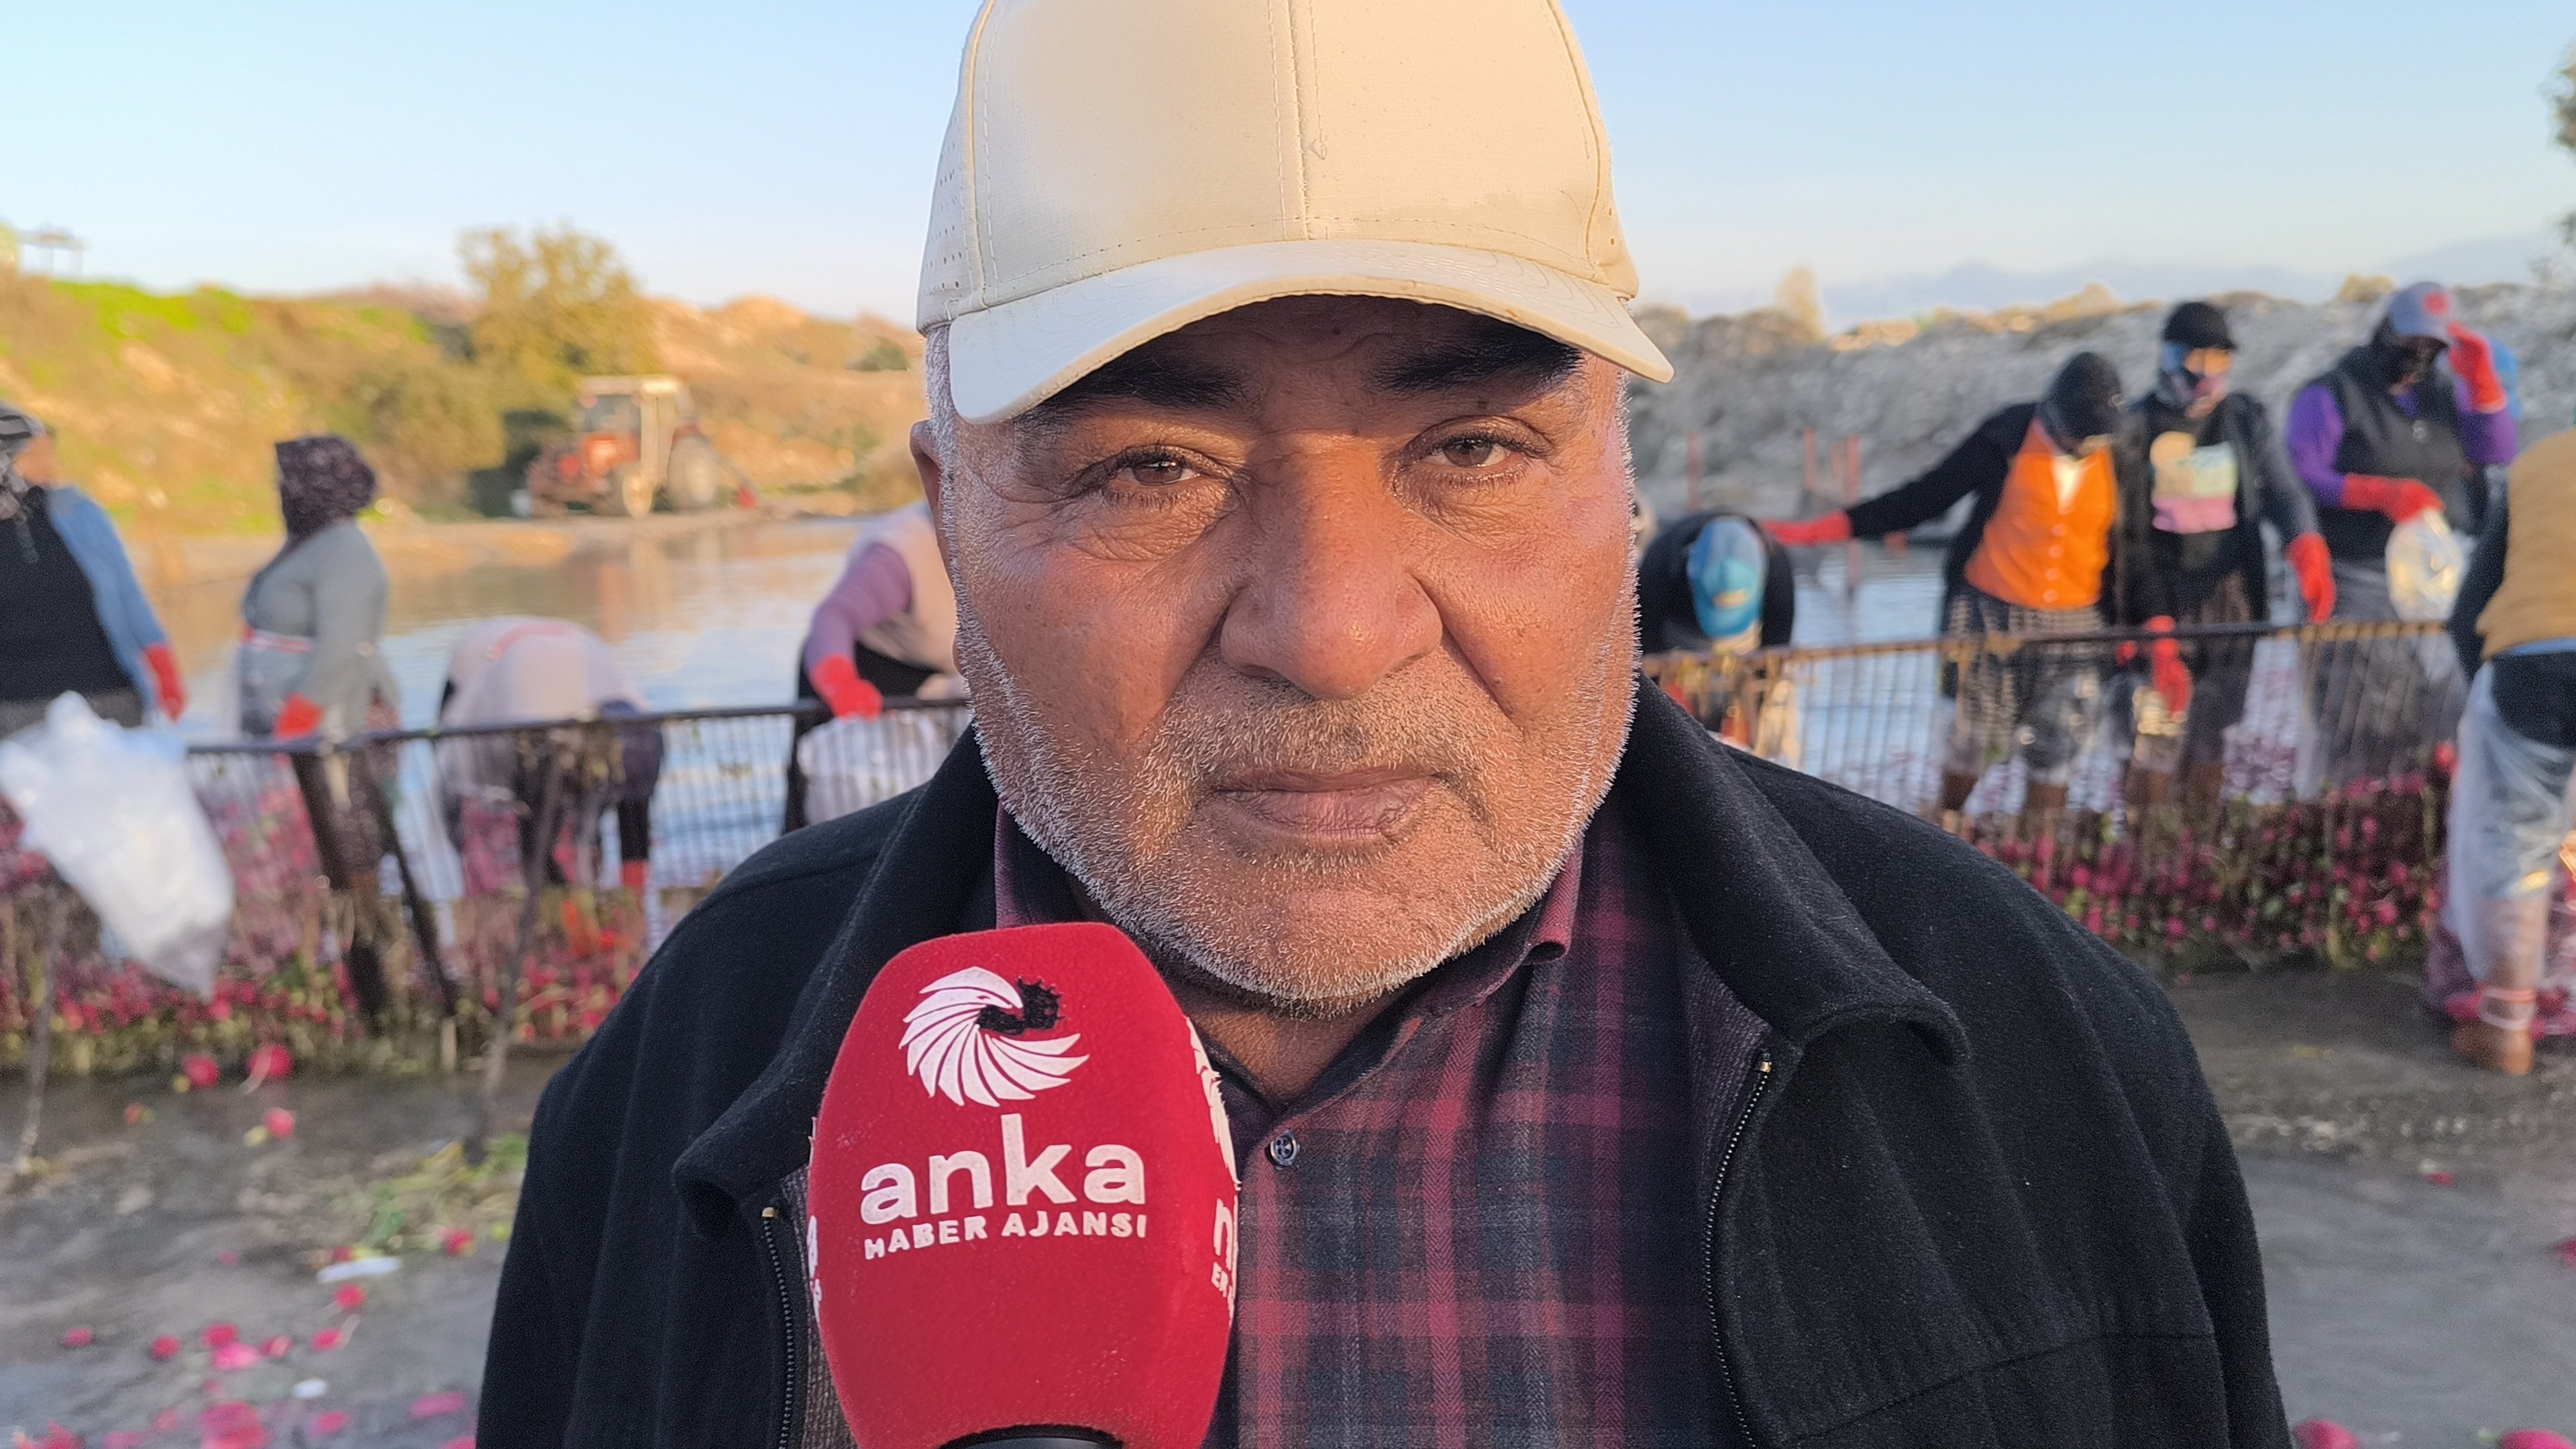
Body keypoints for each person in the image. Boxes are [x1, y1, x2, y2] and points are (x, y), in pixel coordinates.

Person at [482, 2, 2288, 1445]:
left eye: (1473, 448)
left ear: (1625, 486)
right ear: (947, 518)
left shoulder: (2046, 1063)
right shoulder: (673, 1095)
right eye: (1147, 467)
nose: (1336, 637)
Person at [1768, 354, 2136, 822]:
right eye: (2076, 433)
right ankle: (1946, 832)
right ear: (2051, 411)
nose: (2085, 444)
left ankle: (2039, 852)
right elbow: (1925, 497)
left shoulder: (2118, 452)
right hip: (1988, 617)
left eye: (2096, 437)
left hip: (2078, 626)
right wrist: (1823, 529)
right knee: (1971, 745)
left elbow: (2136, 547)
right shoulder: (2006, 435)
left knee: (2057, 749)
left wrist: (2139, 620)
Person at [2288, 282, 2516, 786]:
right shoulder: (2334, 393)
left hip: (2430, 579)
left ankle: (2422, 809)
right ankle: (2353, 810)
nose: (2418, 357)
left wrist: (2482, 384)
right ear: (2386, 331)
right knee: (2363, 714)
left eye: (2432, 347)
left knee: (2440, 706)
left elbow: (2496, 451)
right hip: (2356, 573)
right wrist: (2375, 492)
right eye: (2410, 343)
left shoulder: (2439, 395)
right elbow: (2300, 473)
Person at [2108, 301, 2335, 807]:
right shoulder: (2136, 427)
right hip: (2161, 596)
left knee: (2216, 735)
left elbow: (2283, 492)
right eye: (2199, 360)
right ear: (2172, 358)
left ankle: (2199, 835)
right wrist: (2149, 622)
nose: (2209, 374)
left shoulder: (2245, 418)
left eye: (2221, 361)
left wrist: (2306, 544)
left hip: (2231, 599)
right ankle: (2146, 841)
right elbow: (2126, 537)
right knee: (2154, 737)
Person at [237, 435, 402, 1022]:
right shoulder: (307, 544)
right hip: (297, 733)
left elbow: (344, 644)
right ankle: (330, 973)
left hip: (339, 723)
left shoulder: (345, 548)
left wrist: (300, 715)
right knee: (312, 848)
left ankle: (375, 981)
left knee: (351, 846)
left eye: (288, 481)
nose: (280, 492)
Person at [2440, 429, 2576, 1074]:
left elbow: (2468, 610)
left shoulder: (2539, 464)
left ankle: (2506, 1028)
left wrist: (2487, 693)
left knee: (2517, 844)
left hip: (2532, 662)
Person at [435, 618, 663, 898]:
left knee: (545, 835)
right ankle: (576, 904)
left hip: (539, 726)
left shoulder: (483, 660)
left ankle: (572, 904)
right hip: (537, 728)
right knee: (550, 833)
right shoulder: (482, 659)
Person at [0, 405, 187, 736]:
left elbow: (128, 593)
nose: (47, 463)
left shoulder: (79, 512)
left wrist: (162, 664)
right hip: (14, 710)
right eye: (32, 453)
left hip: (105, 697)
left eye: (48, 452)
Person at [781, 499, 967, 830]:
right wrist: (841, 684)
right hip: (858, 665)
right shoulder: (904, 550)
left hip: (933, 673)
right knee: (829, 785)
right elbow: (834, 616)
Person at [1638, 511, 1799, 757]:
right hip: (1679, 644)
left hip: (1745, 647)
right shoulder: (1661, 561)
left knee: (1750, 735)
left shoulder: (1775, 562)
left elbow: (1775, 651)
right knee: (1676, 740)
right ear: (1691, 570)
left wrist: (1754, 713)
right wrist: (1667, 707)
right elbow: (1647, 645)